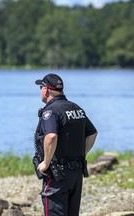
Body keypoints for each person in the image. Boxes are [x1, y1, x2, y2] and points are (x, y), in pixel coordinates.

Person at [33, 73, 98, 216]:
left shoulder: (51, 111)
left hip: (58, 175)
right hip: (76, 173)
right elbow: (92, 133)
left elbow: (51, 136)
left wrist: (45, 162)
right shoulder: (75, 108)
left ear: (45, 90)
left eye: (41, 88)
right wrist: (81, 154)